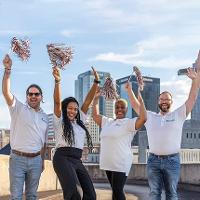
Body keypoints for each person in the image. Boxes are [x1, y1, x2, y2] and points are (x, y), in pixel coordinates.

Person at [125, 66, 200, 200]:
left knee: (171, 194)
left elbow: (192, 99)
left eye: (167, 99)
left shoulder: (179, 114)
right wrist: (129, 91)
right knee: (154, 194)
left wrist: (195, 81)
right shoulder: (149, 116)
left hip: (172, 160)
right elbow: (136, 106)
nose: (164, 101)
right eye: (162, 99)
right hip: (153, 160)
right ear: (158, 102)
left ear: (171, 102)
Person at [2, 54, 49, 200]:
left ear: (41, 96)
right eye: (30, 94)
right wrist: (8, 70)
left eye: (36, 94)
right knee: (15, 196)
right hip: (17, 159)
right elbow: (6, 92)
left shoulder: (45, 117)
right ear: (26, 96)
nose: (33, 96)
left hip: (35, 161)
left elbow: (44, 142)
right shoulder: (18, 108)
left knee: (32, 196)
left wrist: (41, 161)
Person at [52, 66, 99, 200]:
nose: (72, 111)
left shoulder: (80, 122)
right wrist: (57, 82)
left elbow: (88, 101)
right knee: (74, 193)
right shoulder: (59, 120)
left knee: (90, 194)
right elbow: (56, 102)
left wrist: (96, 82)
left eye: (75, 109)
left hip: (77, 160)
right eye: (69, 108)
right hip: (62, 158)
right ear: (64, 108)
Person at [92, 87, 147, 200]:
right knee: (115, 191)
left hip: (121, 162)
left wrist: (141, 102)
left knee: (117, 190)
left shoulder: (129, 123)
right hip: (108, 162)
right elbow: (95, 115)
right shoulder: (108, 122)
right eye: (117, 107)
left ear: (127, 109)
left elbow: (143, 118)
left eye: (122, 107)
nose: (119, 109)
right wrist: (96, 99)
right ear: (114, 109)